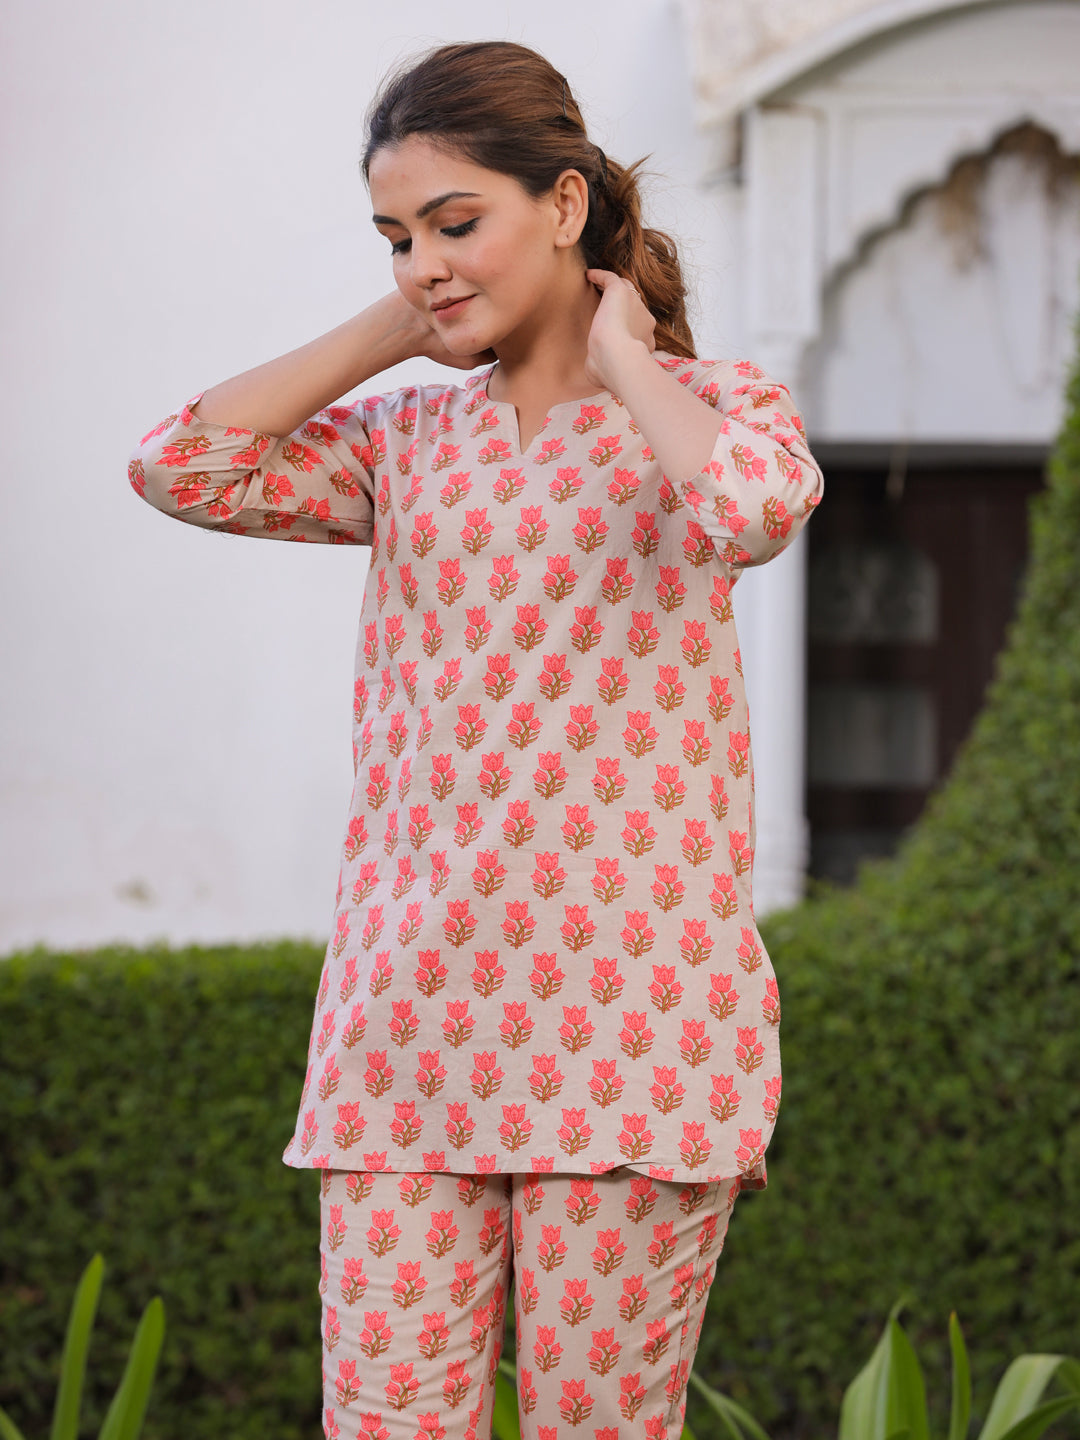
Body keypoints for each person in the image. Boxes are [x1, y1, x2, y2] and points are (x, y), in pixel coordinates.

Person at [129, 38, 823, 1440]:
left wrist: (629, 361)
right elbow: (179, 464)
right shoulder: (401, 445)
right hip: (405, 1038)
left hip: (634, 1037)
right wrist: (400, 324)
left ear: (565, 206)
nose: (425, 262)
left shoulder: (716, 413)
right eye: (397, 237)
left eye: (456, 223)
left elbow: (753, 514)